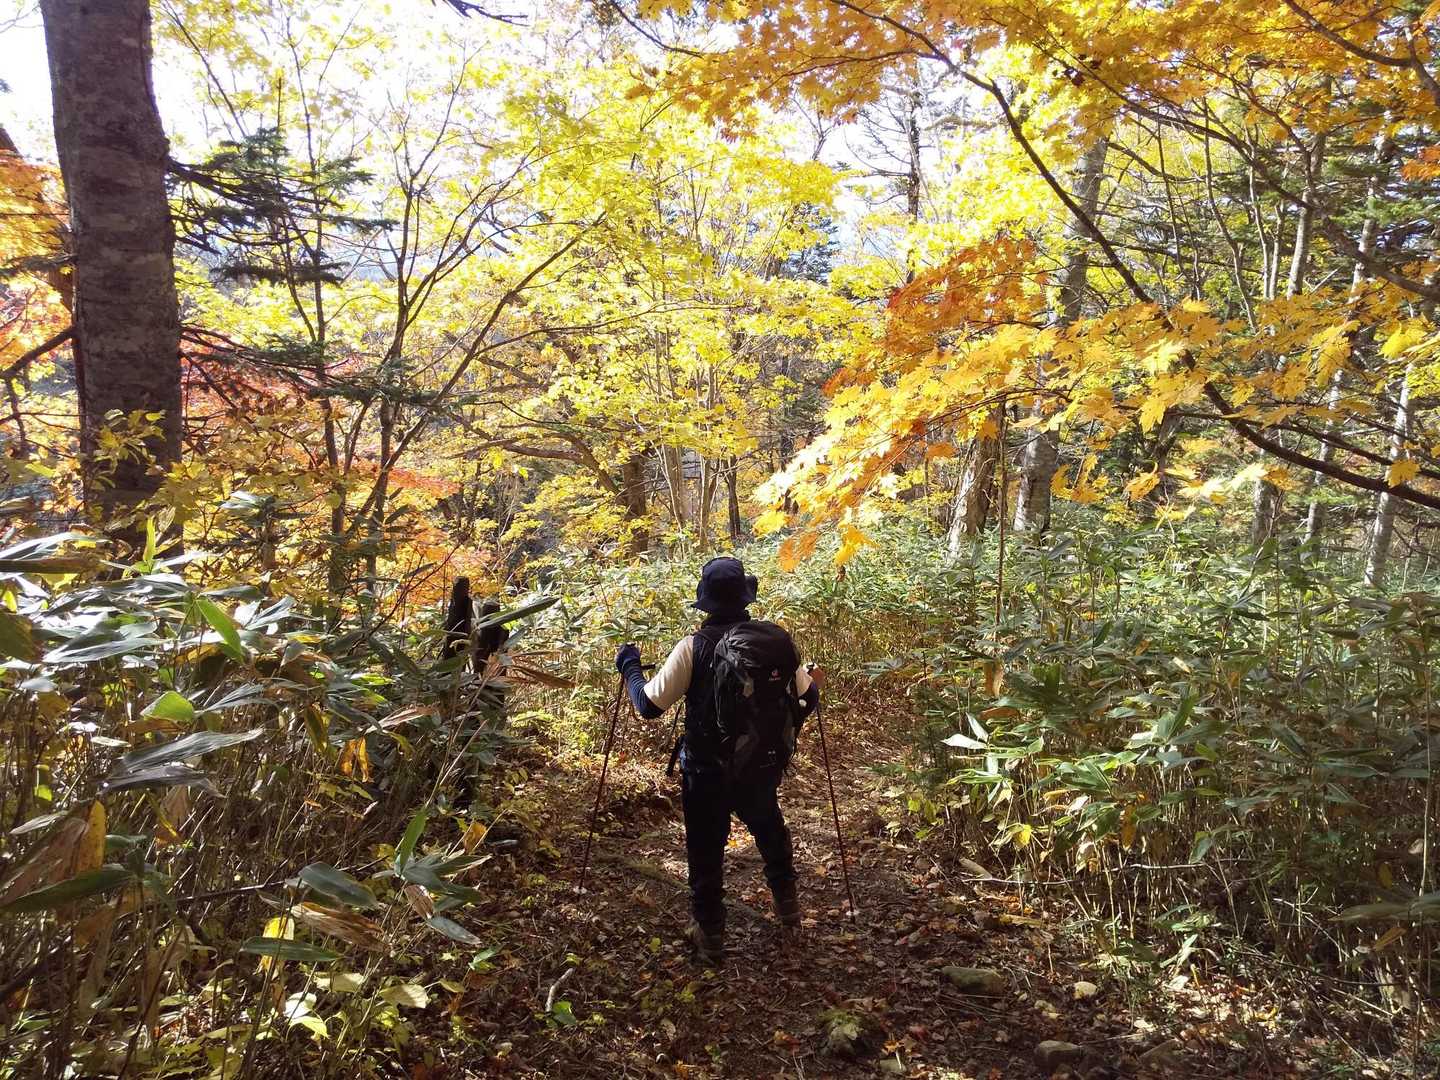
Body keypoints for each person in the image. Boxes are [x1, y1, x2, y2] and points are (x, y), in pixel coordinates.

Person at [615, 556, 823, 964]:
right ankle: (788, 909)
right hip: (759, 764)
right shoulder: (774, 642)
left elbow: (648, 706)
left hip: (706, 769)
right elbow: (809, 698)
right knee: (769, 829)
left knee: (706, 849)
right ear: (746, 597)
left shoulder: (693, 647)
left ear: (706, 601)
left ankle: (709, 934)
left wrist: (630, 666)